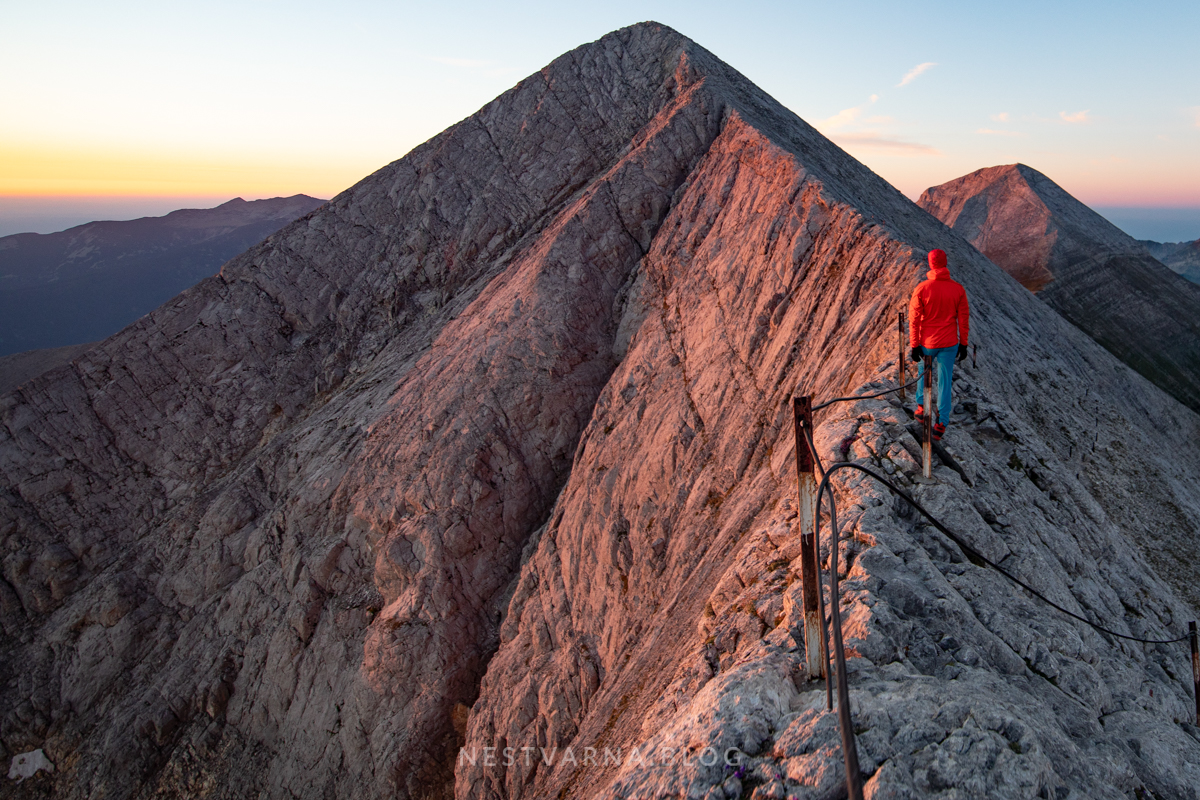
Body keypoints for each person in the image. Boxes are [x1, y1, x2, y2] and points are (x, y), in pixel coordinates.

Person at [909, 248, 969, 440]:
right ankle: (941, 422)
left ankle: (921, 407)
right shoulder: (957, 289)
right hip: (950, 342)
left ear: (930, 264)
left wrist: (914, 344)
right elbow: (963, 319)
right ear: (945, 263)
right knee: (945, 381)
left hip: (927, 342)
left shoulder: (922, 288)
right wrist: (964, 344)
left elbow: (914, 320)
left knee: (922, 373)